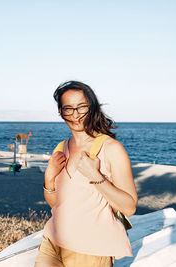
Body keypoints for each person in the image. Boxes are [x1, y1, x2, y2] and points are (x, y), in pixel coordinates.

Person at [35, 81, 137, 267]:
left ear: (92, 108)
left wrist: (95, 176)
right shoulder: (60, 148)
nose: (76, 115)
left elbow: (129, 207)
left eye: (81, 107)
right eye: (68, 108)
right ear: (61, 112)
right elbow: (57, 204)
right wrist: (49, 178)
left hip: (91, 250)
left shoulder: (111, 149)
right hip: (52, 242)